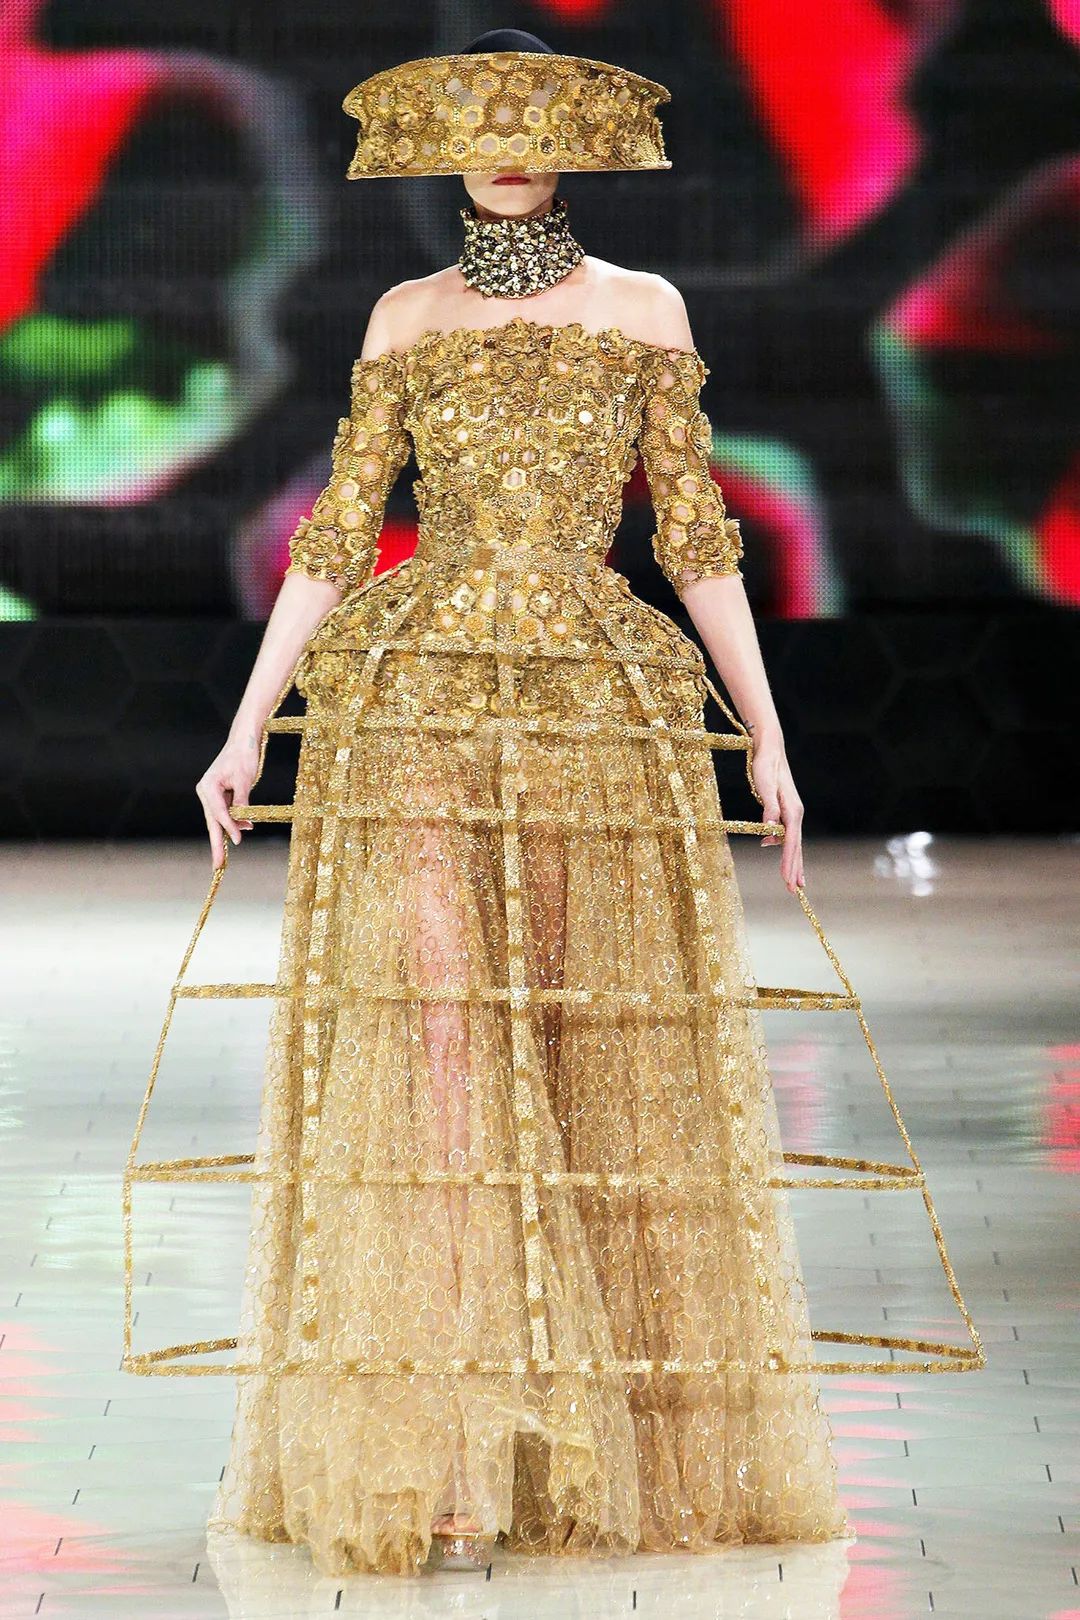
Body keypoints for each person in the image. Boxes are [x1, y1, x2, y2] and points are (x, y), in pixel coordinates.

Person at [156, 29, 981, 1579]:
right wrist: (249, 722)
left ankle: (577, 1443)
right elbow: (337, 533)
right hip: (412, 709)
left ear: (576, 138)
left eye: (536, 115)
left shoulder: (645, 310)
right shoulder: (405, 317)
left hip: (598, 715)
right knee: (441, 1063)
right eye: (482, 117)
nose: (509, 139)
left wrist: (768, 733)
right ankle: (453, 1459)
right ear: (443, 143)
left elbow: (696, 538)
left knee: (585, 1056)